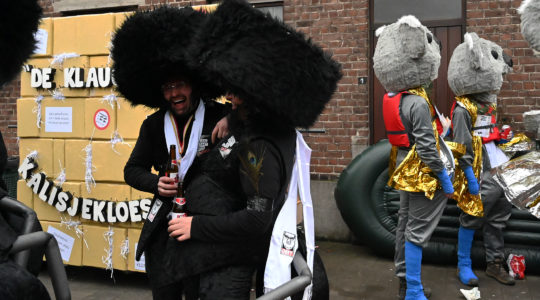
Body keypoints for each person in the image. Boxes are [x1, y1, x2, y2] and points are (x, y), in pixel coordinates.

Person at [164, 0, 341, 298]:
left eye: (236, 93)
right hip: (213, 254)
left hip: (228, 262)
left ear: (256, 94)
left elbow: (256, 218)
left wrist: (197, 226)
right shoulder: (263, 123)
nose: (229, 96)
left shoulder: (258, 146)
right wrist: (232, 119)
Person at [111, 6, 229, 299]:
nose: (174, 93)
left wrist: (234, 118)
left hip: (204, 229)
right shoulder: (152, 126)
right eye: (167, 87)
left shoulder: (220, 117)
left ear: (196, 83)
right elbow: (132, 169)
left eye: (180, 85)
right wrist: (156, 184)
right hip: (163, 231)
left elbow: (260, 120)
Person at [373, 16, 455, 300]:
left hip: (404, 169)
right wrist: (445, 178)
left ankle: (405, 282)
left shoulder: (395, 97)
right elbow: (427, 147)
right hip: (422, 174)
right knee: (417, 231)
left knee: (405, 225)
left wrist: (440, 128)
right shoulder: (418, 102)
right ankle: (414, 292)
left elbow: (407, 136)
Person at [448, 32, 515, 286]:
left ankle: (494, 264)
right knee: (471, 217)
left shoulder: (489, 103)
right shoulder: (463, 109)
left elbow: (490, 131)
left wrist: (502, 135)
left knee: (498, 216)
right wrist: (468, 177)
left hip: (498, 167)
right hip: (476, 170)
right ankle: (463, 265)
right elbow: (461, 146)